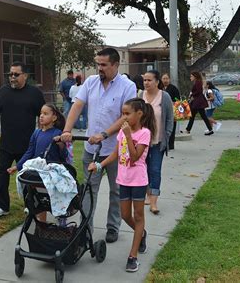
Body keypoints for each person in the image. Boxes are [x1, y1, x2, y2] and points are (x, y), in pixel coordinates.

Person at [60, 47, 136, 243]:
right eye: (97, 64)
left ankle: (113, 227)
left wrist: (105, 134)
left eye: (103, 65)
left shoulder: (127, 86)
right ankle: (85, 230)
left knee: (116, 191)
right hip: (91, 150)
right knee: (87, 191)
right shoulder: (91, 82)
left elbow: (125, 117)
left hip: (116, 150)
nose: (99, 68)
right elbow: (77, 105)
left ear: (115, 65)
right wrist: (66, 130)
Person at [88, 98, 155, 272]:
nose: (123, 117)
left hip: (139, 181)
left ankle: (133, 256)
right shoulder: (122, 133)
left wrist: (127, 135)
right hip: (123, 179)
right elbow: (116, 154)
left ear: (139, 114)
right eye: (122, 114)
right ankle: (142, 233)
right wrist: (99, 165)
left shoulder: (144, 133)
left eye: (127, 113)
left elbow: (134, 157)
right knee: (125, 215)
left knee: (138, 216)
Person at [0, 61, 45, 217]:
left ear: (25, 75)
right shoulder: (2, 92)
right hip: (6, 143)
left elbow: (43, 115)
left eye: (16, 74)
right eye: (10, 74)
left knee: (27, 175)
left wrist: (42, 133)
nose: (12, 77)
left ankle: (29, 204)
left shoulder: (34, 93)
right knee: (2, 174)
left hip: (27, 144)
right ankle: (2, 206)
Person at [141, 70, 174, 214]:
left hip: (157, 142)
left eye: (149, 80)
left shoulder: (164, 96)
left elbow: (169, 119)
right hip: (141, 142)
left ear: (157, 81)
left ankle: (154, 202)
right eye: (144, 80)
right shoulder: (140, 95)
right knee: (144, 170)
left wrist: (166, 136)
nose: (146, 83)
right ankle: (148, 195)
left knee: (155, 170)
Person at [8, 104, 67, 175]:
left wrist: (61, 145)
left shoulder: (57, 133)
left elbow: (64, 155)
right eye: (41, 113)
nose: (41, 116)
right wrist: (17, 166)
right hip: (37, 170)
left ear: (54, 118)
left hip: (52, 171)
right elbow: (29, 152)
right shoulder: (36, 133)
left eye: (45, 114)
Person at [161, 73, 180, 150]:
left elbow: (177, 99)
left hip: (172, 110)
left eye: (167, 78)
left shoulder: (173, 88)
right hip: (162, 111)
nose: (165, 80)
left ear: (169, 79)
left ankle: (171, 144)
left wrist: (173, 102)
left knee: (172, 127)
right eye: (164, 78)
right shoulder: (160, 88)